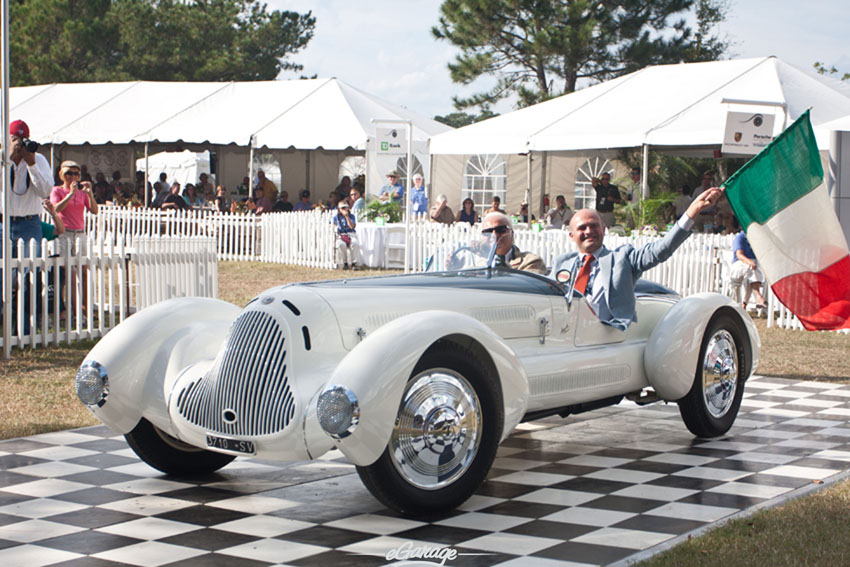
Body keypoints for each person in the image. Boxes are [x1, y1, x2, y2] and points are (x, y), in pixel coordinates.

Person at [550, 186, 724, 331]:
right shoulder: (562, 262)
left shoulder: (622, 259)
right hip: (563, 336)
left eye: (593, 226)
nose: (588, 231)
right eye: (582, 228)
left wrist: (692, 211)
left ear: (604, 229)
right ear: (571, 235)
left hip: (605, 339)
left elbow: (661, 249)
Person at [51, 160, 99, 324]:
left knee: (83, 271)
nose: (73, 177)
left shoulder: (82, 193)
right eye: (69, 173)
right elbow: (55, 209)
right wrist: (70, 194)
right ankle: (67, 308)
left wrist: (90, 193)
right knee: (67, 273)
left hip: (79, 233)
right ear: (62, 175)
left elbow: (94, 210)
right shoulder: (57, 190)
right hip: (64, 233)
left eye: (76, 174)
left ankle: (85, 308)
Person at [6, 120, 54, 257]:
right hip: (3, 222)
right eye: (15, 139)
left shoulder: (39, 160)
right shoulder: (2, 158)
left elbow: (45, 191)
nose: (19, 144)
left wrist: (32, 165)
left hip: (29, 223)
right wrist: (9, 159)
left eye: (23, 140)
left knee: (29, 270)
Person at [480, 212, 546, 274]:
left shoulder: (531, 261)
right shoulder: (476, 264)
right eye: (487, 232)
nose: (494, 235)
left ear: (512, 234)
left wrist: (503, 265)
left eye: (500, 230)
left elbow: (527, 284)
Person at [730, 228, 767, 311]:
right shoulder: (740, 237)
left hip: (751, 269)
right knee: (751, 269)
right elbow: (739, 255)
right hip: (739, 264)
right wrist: (749, 261)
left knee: (748, 277)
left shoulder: (756, 239)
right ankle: (758, 296)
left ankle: (743, 306)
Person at [332, 201, 359, 270]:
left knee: (355, 243)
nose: (344, 209)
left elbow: (352, 226)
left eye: (345, 207)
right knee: (341, 244)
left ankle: (354, 263)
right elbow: (331, 225)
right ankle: (345, 262)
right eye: (342, 208)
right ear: (339, 209)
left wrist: (347, 217)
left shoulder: (351, 216)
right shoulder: (336, 217)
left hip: (351, 234)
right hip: (342, 235)